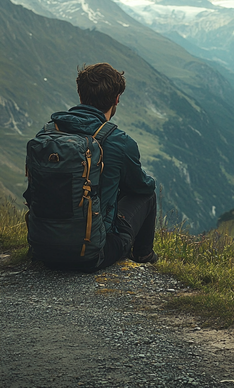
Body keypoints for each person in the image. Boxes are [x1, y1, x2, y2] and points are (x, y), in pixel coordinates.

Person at [24, 62, 157, 271]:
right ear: (116, 99)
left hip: (43, 250)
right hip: (93, 253)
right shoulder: (119, 142)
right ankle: (143, 254)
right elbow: (143, 187)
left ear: (80, 96)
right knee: (148, 195)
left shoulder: (48, 133)